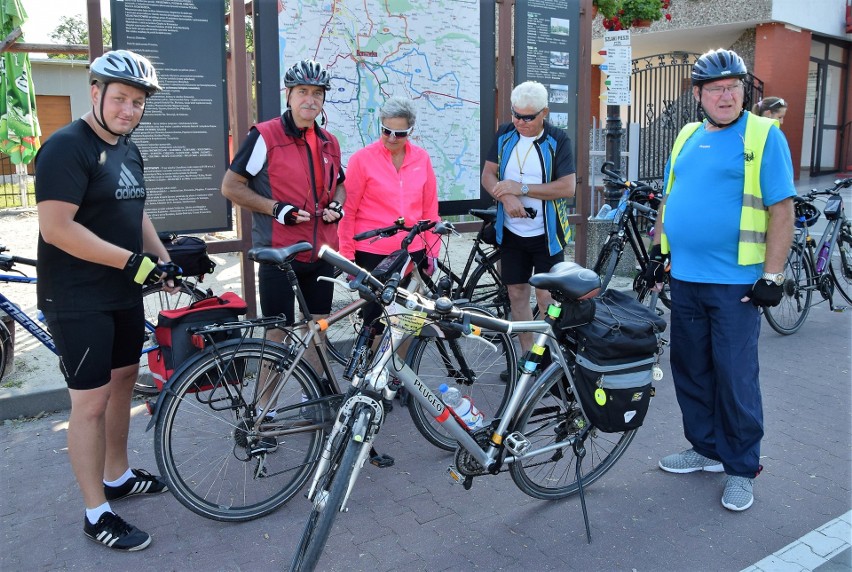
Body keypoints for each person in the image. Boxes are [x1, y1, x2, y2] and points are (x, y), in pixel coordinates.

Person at [35, 50, 173, 551]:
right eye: (120, 99)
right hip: (76, 297)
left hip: (121, 292)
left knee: (122, 384)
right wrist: (132, 263)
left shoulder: (127, 149)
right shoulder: (66, 148)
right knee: (89, 404)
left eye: (137, 102)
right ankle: (96, 513)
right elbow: (56, 228)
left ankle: (117, 476)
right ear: (95, 93)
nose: (129, 109)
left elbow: (135, 213)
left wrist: (162, 257)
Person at [647, 48, 795, 512]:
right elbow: (670, 199)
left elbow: (781, 210)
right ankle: (706, 448)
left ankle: (741, 466)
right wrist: (659, 249)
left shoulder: (763, 134)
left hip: (737, 285)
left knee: (735, 377)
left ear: (744, 90)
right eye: (716, 88)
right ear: (698, 95)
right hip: (686, 277)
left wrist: (773, 274)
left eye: (734, 87)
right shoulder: (687, 136)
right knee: (691, 369)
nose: (727, 95)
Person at [221, 59, 345, 421]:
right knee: (275, 334)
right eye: (303, 92)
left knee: (315, 332)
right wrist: (277, 209)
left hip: (320, 252)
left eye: (317, 94)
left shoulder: (328, 140)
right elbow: (231, 187)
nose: (311, 100)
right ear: (289, 95)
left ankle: (312, 404)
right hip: (279, 254)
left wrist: (336, 204)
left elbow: (341, 181)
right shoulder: (264, 135)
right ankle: (262, 411)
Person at [480, 80, 576, 354]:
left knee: (547, 299)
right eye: (515, 114)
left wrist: (520, 188)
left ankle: (553, 359)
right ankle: (528, 359)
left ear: (544, 112)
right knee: (517, 295)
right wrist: (505, 197)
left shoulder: (558, 139)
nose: (520, 122)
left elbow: (567, 187)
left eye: (528, 117)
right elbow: (488, 174)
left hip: (546, 234)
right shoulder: (505, 134)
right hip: (512, 232)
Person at [337, 96, 440, 332]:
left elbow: (430, 210)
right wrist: (347, 258)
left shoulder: (421, 158)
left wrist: (432, 251)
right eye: (386, 131)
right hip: (372, 253)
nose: (392, 138)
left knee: (406, 323)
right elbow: (348, 211)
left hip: (412, 252)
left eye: (400, 133)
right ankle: (373, 369)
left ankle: (394, 369)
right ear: (380, 125)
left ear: (410, 131)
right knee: (375, 324)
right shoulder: (362, 159)